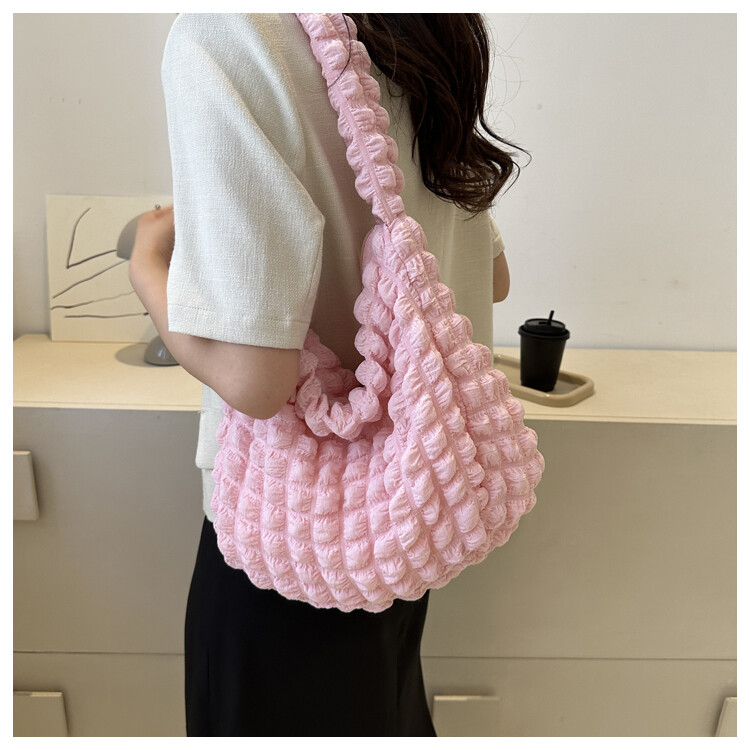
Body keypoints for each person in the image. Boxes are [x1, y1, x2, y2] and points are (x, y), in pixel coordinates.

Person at [129, 12, 520, 737]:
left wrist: (147, 266)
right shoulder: (424, 25)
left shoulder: (225, 32)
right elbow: (491, 278)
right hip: (413, 504)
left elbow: (254, 380)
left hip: (291, 534)